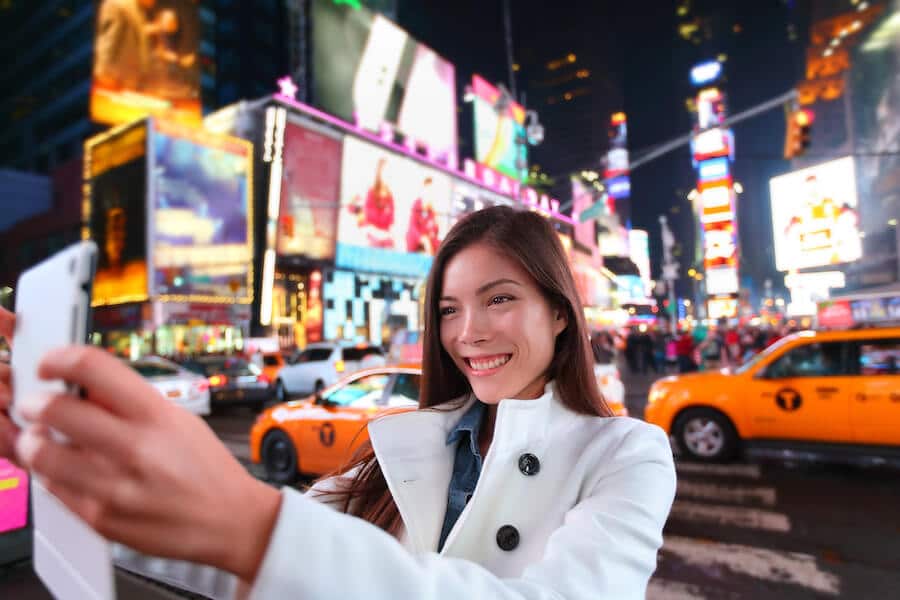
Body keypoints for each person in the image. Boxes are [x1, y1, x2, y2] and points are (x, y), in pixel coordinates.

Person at [0, 206, 675, 599]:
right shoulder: (404, 443)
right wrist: (69, 464)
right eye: (448, 309)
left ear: (560, 314)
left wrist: (255, 524)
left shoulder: (627, 454)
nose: (468, 333)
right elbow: (224, 554)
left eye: (499, 299)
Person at [406, 177, 441, 255]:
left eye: (432, 192)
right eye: (428, 191)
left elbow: (435, 231)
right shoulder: (416, 205)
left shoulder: (432, 210)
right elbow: (413, 228)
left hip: (429, 243)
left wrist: (437, 221)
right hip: (416, 242)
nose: (430, 194)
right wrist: (423, 239)